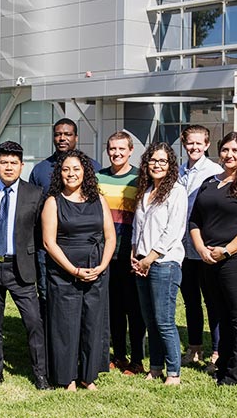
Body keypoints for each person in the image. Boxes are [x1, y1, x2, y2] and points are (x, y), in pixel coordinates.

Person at [189, 131, 237, 386]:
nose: (229, 155)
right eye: (225, 150)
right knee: (219, 315)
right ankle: (222, 365)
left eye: (235, 150)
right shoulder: (210, 182)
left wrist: (226, 251)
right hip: (209, 259)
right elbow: (195, 220)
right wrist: (201, 249)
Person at [0, 141, 51, 390]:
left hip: (21, 267)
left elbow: (42, 234)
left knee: (33, 322)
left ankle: (40, 373)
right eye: (4, 162)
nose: (8, 167)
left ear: (21, 165)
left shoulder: (35, 194)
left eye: (13, 163)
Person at [42, 149, 115, 391]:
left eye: (76, 169)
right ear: (59, 174)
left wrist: (102, 266)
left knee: (92, 324)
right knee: (65, 325)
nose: (71, 174)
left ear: (85, 172)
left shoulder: (99, 200)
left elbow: (110, 237)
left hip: (97, 270)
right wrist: (73, 270)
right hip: (64, 272)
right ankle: (67, 377)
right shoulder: (53, 202)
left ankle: (88, 376)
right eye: (65, 169)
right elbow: (48, 242)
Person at [28, 118, 101, 325]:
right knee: (47, 296)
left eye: (67, 134)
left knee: (83, 300)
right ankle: (49, 348)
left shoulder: (93, 168)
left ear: (76, 138)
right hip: (48, 248)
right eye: (58, 134)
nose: (62, 138)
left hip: (82, 248)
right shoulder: (40, 170)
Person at [131, 143, 188, 386]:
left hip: (164, 263)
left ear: (171, 165)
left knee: (164, 320)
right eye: (153, 160)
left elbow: (172, 231)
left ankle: (173, 372)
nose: (157, 165)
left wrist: (149, 259)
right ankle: (155, 367)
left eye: (163, 161)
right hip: (141, 262)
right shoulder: (145, 190)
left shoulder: (176, 192)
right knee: (150, 320)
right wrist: (134, 255)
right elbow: (138, 227)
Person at [96, 131, 145, 375]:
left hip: (132, 251)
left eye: (121, 149)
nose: (116, 153)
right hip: (107, 252)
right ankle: (119, 355)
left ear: (130, 150)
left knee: (134, 309)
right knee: (113, 308)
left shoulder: (140, 178)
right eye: (112, 149)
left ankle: (137, 358)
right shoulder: (98, 177)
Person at [177, 125, 223, 370]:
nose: (194, 147)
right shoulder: (178, 171)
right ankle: (195, 348)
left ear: (206, 145)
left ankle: (217, 351)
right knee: (190, 301)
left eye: (198, 143)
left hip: (205, 246)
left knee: (212, 301)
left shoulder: (215, 171)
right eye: (189, 143)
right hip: (182, 248)